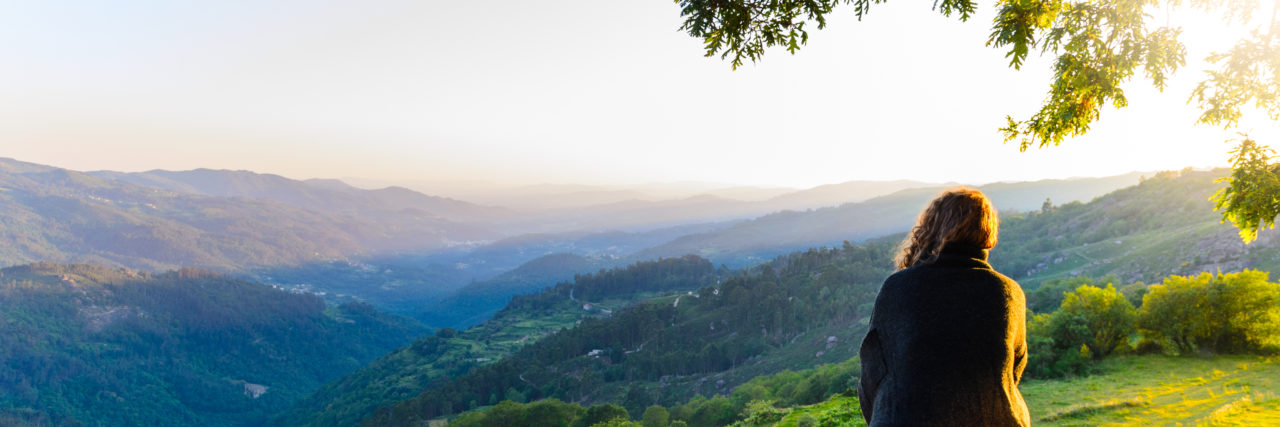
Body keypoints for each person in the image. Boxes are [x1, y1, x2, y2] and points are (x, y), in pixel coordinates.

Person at [857, 187, 1030, 426]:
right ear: (988, 232)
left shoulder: (898, 288)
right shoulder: (1009, 293)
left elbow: (872, 373)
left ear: (932, 226)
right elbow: (1013, 372)